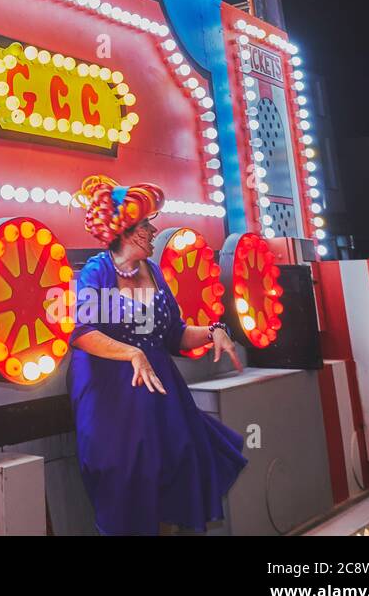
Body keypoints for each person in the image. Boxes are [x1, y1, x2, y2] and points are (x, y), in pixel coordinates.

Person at [67, 174, 248, 535]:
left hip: (161, 397)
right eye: (148, 224)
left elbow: (175, 334)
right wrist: (131, 352)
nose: (153, 231)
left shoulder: (153, 272)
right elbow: (82, 332)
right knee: (123, 480)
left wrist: (214, 331)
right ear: (128, 230)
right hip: (111, 401)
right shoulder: (96, 272)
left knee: (173, 469)